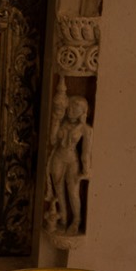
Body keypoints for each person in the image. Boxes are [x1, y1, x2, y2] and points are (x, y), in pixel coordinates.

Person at [46, 95, 92, 234]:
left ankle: (76, 220)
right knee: (59, 190)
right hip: (58, 158)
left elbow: (86, 153)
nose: (71, 111)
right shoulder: (61, 122)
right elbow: (53, 141)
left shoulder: (86, 129)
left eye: (75, 109)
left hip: (72, 160)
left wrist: (85, 171)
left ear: (83, 112)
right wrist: (55, 122)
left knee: (73, 192)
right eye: (70, 107)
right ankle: (63, 219)